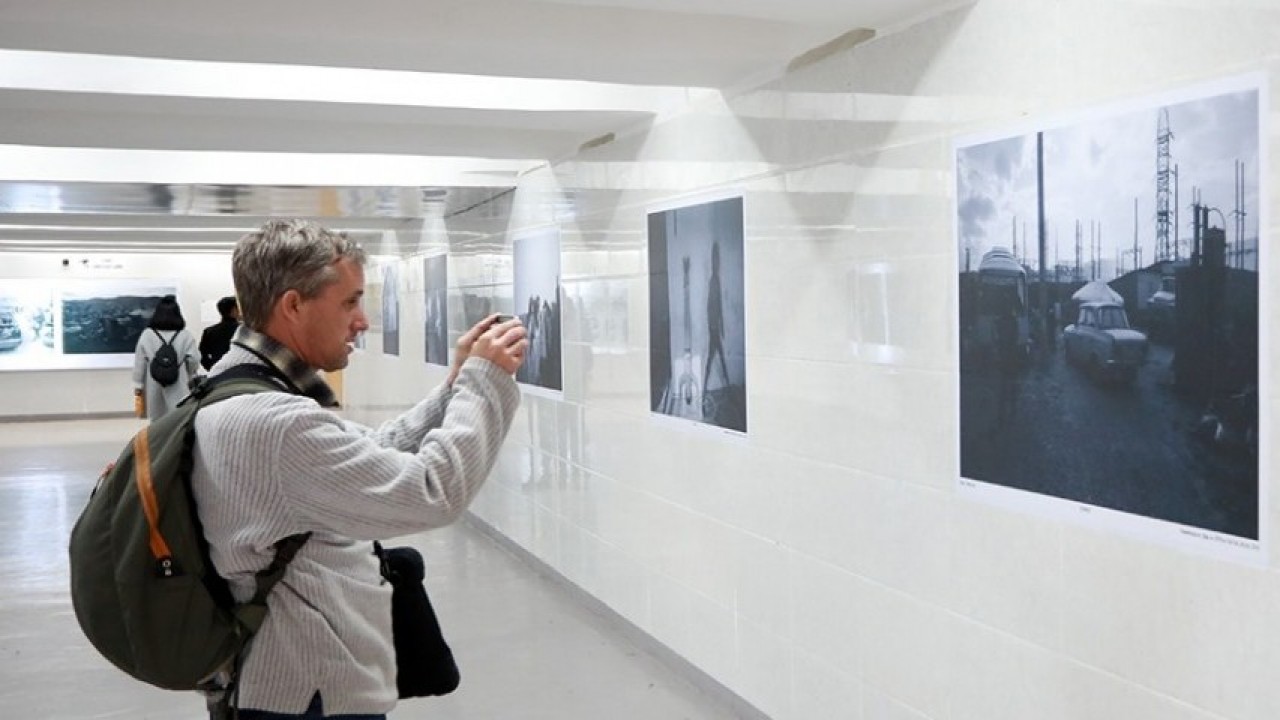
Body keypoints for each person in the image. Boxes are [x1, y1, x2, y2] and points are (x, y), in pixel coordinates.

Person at [190, 219, 527, 719]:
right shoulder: (271, 421)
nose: (363, 321)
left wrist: (456, 385)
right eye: (349, 302)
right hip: (306, 692)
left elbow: (370, 452)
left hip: (289, 680)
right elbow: (431, 492)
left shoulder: (241, 387)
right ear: (293, 305)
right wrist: (485, 382)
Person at [131, 294, 200, 421]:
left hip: (154, 381)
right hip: (179, 381)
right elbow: (194, 360)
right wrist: (189, 373)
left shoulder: (147, 335)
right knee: (178, 417)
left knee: (156, 418)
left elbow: (139, 362)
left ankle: (158, 440)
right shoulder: (185, 335)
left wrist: (138, 384)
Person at [199, 295, 241, 370]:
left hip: (218, 370)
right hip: (239, 369)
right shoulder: (242, 330)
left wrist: (211, 367)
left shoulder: (209, 331)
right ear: (233, 310)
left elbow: (201, 355)